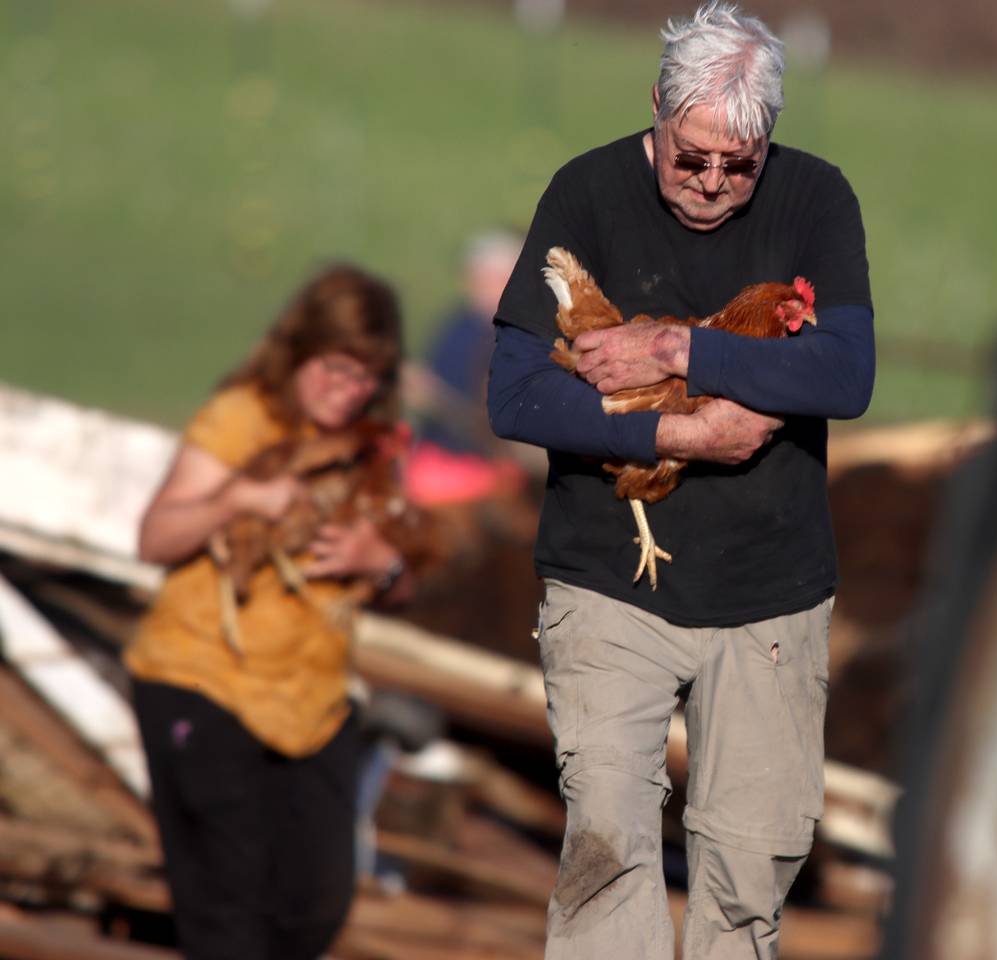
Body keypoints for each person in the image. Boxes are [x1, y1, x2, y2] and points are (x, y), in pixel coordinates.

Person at [486, 3, 874, 957]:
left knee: (748, 874)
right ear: (657, 107)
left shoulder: (817, 202)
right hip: (609, 575)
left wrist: (675, 345)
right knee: (608, 852)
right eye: (691, 156)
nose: (710, 182)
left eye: (737, 166)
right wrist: (685, 432)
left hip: (769, 596)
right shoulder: (586, 191)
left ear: (767, 145)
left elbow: (843, 375)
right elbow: (515, 393)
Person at [125, 264, 415, 960]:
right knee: (229, 914)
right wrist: (237, 501)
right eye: (335, 371)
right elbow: (154, 537)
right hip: (205, 679)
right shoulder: (243, 418)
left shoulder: (372, 449)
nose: (348, 394)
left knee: (313, 910)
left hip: (310, 704)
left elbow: (402, 586)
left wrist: (383, 563)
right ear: (302, 352)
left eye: (365, 378)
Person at [404, 229, 528, 506]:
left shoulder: (521, 336)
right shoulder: (458, 324)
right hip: (438, 459)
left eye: (491, 279)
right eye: (477, 279)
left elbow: (495, 432)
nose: (480, 288)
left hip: (489, 472)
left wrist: (433, 398)